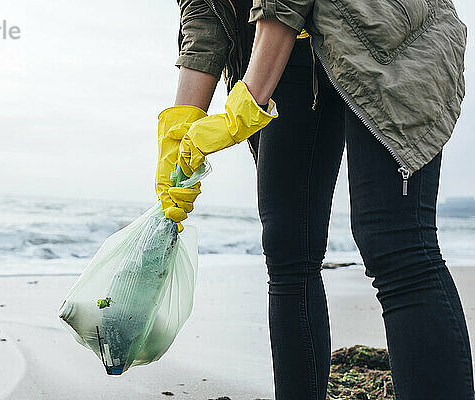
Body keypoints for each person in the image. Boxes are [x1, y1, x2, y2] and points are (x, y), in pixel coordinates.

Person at [154, 0, 474, 399]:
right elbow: (206, 11)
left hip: (381, 27)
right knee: (288, 249)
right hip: (287, 51)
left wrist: (247, 102)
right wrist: (181, 126)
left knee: (396, 244)